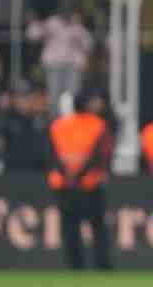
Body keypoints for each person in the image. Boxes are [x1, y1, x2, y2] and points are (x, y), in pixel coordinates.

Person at [48, 90, 113, 271]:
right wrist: (80, 174)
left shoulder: (58, 125)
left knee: (70, 227)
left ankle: (75, 265)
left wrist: (67, 174)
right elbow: (100, 153)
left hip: (64, 184)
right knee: (97, 226)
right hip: (90, 184)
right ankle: (102, 264)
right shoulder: (97, 124)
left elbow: (52, 154)